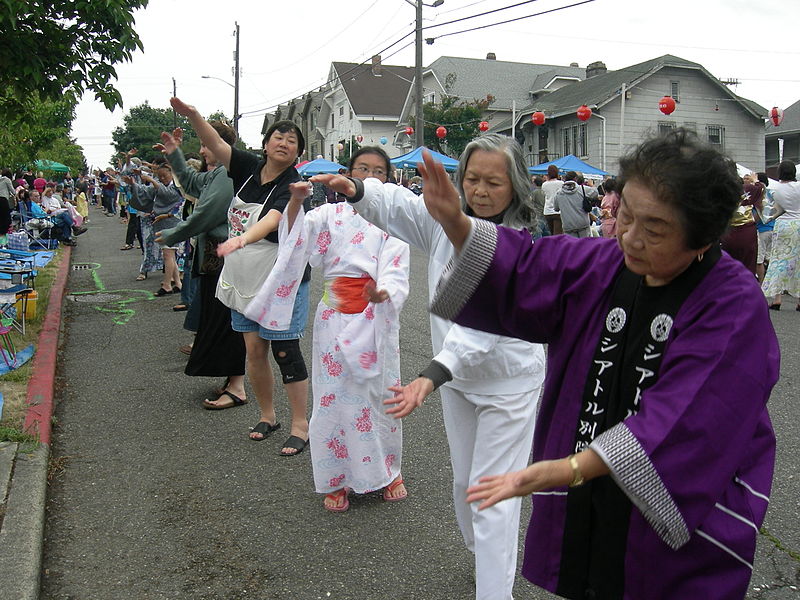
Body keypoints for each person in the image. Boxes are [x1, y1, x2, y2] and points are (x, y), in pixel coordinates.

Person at [417, 129, 779, 600]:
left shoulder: (732, 301)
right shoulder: (605, 262)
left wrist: (573, 467)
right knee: (592, 571)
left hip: (675, 498)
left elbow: (691, 414)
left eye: (654, 229)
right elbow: (528, 267)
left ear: (704, 236)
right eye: (625, 215)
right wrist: (455, 223)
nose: (629, 237)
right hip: (589, 482)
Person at [315, 133, 546, 600]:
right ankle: (485, 559)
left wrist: (432, 374)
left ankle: (494, 590)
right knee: (464, 482)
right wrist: (359, 189)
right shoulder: (447, 220)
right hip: (458, 381)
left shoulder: (522, 243)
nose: (480, 191)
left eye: (493, 183)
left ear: (516, 187)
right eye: (473, 180)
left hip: (509, 383)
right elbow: (402, 205)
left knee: (491, 493)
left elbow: (483, 329)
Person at [225, 146, 410, 511]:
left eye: (378, 171)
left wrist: (383, 292)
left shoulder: (394, 221)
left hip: (376, 317)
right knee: (333, 397)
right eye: (362, 169)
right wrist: (294, 204)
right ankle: (336, 477)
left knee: (378, 396)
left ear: (388, 180)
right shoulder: (329, 214)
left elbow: (397, 267)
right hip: (334, 317)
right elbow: (296, 238)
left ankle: (388, 471)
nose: (370, 177)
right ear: (347, 175)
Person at [172, 96, 312, 456]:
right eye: (278, 136)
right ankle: (268, 416)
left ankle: (300, 424)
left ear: (297, 153)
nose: (283, 142)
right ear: (265, 144)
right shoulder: (248, 167)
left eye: (292, 140)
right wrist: (194, 116)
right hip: (245, 272)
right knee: (252, 349)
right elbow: (217, 144)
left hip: (282, 279)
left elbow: (274, 220)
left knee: (285, 351)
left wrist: (242, 239)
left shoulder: (294, 186)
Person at [155, 122, 248, 407]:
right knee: (217, 319)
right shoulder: (216, 174)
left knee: (226, 322)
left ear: (222, 146)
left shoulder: (228, 176)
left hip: (224, 260)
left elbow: (207, 214)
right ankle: (231, 381)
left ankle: (237, 386)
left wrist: (175, 232)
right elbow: (190, 181)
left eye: (206, 144)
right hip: (214, 259)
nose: (202, 150)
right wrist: (174, 154)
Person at [125, 163, 183, 295]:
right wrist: (133, 183)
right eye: (159, 176)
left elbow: (168, 195)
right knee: (170, 254)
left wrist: (152, 180)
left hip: (172, 222)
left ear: (171, 173)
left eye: (164, 175)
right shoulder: (158, 185)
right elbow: (145, 192)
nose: (162, 178)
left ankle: (167, 284)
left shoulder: (178, 186)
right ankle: (178, 283)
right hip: (160, 222)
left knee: (168, 254)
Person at [761, 160, 800, 311]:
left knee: (778, 260)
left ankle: (777, 299)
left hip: (782, 225)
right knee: (798, 262)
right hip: (798, 224)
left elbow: (768, 211)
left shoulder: (774, 189)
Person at [720, 174, 760, 275]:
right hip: (747, 232)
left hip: (728, 233)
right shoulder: (748, 191)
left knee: (728, 265)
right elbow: (761, 189)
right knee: (749, 264)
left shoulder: (722, 193)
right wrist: (755, 180)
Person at [553, 171, 592, 238]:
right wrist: (590, 184)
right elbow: (595, 193)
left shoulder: (559, 193)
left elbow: (556, 208)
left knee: (572, 247)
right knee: (585, 246)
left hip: (568, 225)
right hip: (583, 224)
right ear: (575, 179)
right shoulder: (582, 189)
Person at [754, 172, 774, 283]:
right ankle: (775, 284)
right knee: (771, 258)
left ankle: (761, 285)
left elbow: (757, 215)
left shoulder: (758, 194)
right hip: (773, 228)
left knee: (759, 260)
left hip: (761, 230)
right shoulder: (772, 193)